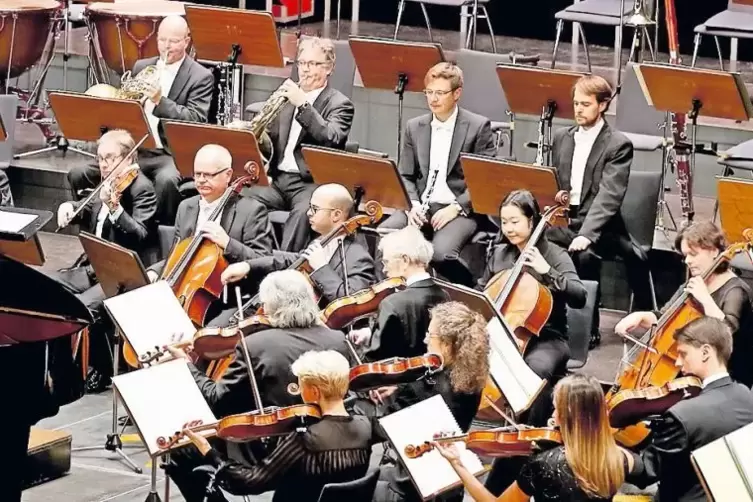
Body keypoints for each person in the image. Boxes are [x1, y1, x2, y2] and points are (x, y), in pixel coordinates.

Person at [164, 270, 354, 499]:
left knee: (181, 451)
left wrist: (186, 365)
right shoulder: (337, 339)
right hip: (335, 444)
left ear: (270, 307)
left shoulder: (255, 345)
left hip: (271, 452)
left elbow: (217, 401)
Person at [68, 15, 214, 225]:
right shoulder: (142, 66)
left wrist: (159, 100)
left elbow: (195, 119)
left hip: (167, 153)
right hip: (134, 149)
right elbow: (124, 105)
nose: (166, 47)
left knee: (167, 181)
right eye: (162, 40)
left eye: (173, 41)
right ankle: (96, 229)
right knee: (79, 174)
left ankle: (158, 237)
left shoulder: (200, 77)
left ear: (186, 41)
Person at [179, 350, 375, 502]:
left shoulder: (305, 439)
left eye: (301, 386)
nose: (298, 392)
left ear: (314, 392)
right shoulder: (365, 426)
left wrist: (208, 450)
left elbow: (249, 481)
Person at [546, 74, 651, 347]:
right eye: (576, 103)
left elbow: (609, 195)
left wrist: (588, 233)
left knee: (585, 255)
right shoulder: (561, 137)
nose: (578, 109)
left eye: (586, 104)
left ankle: (586, 329)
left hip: (600, 224)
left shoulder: (618, 144)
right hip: (566, 219)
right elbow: (553, 180)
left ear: (603, 105)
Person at [54, 129, 158, 393]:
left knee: (86, 307)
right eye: (100, 158)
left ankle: (103, 368)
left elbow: (141, 235)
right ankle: (63, 362)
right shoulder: (106, 184)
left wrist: (115, 208)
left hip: (121, 272)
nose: (103, 164)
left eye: (110, 158)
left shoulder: (141, 189)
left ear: (129, 157)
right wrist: (69, 207)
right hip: (93, 268)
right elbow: (87, 209)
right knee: (50, 288)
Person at [378, 62, 496, 286]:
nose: (433, 99)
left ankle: (471, 289)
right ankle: (389, 295)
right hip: (421, 206)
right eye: (429, 92)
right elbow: (406, 174)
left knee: (441, 253)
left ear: (457, 93)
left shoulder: (478, 126)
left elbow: (486, 179)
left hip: (459, 208)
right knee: (385, 233)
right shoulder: (415, 126)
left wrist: (456, 208)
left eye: (440, 93)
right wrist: (412, 204)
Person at [477, 189, 586, 426]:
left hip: (547, 338)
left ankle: (529, 434)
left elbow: (580, 296)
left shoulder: (555, 255)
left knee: (533, 371)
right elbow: (483, 293)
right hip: (503, 335)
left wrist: (548, 271)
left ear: (532, 220)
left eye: (515, 221)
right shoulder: (499, 254)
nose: (508, 228)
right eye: (504, 222)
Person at [438, 374, 637, 502]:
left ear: (566, 414)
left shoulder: (544, 465)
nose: (552, 415)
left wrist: (458, 465)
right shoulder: (619, 457)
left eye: (556, 408)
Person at [146, 144, 276, 327]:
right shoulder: (186, 207)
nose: (200, 180)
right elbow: (178, 255)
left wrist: (228, 243)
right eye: (197, 174)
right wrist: (154, 271)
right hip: (187, 292)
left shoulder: (252, 211)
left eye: (208, 175)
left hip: (229, 299)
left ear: (228, 175)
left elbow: (265, 261)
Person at [371, 301, 489, 502]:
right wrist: (401, 386)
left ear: (447, 343)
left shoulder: (424, 389)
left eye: (430, 334)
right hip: (451, 477)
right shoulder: (470, 375)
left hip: (415, 482)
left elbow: (383, 429)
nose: (425, 339)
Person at [627, 317, 753, 502]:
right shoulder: (746, 395)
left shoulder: (682, 415)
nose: (677, 362)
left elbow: (646, 471)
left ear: (705, 352)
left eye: (683, 354)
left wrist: (613, 453)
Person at [247, 37, 355, 253]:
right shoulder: (285, 95)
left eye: (314, 64)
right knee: (240, 199)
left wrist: (303, 105)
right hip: (277, 179)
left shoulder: (339, 104)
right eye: (302, 63)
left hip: (310, 182)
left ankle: (285, 271)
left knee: (305, 213)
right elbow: (269, 134)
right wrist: (249, 132)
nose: (305, 70)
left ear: (329, 68)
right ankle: (255, 257)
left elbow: (331, 137)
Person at [615, 220, 753, 388]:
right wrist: (640, 317)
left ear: (714, 251)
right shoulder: (693, 285)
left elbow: (729, 333)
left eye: (693, 254)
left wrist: (705, 299)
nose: (687, 260)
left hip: (724, 378)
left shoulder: (736, 291)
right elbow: (664, 317)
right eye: (685, 255)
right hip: (693, 369)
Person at [221, 183, 376, 311]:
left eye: (315, 209)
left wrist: (321, 268)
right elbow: (288, 260)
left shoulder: (358, 257)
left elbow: (352, 304)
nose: (308, 213)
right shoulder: (320, 242)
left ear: (336, 215)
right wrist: (247, 265)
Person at [350, 226, 449, 361]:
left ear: (405, 260)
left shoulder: (392, 303)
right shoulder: (444, 295)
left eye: (386, 262)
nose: (384, 269)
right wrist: (370, 333)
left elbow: (375, 359)